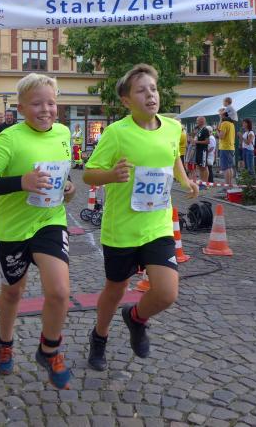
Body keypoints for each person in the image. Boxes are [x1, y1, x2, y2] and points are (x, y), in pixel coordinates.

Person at [83, 64, 199, 371]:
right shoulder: (116, 133)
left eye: (153, 89)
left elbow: (173, 157)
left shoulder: (173, 128)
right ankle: (99, 336)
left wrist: (185, 181)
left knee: (167, 292)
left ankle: (135, 318)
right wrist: (111, 174)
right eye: (141, 91)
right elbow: (89, 174)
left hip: (157, 225)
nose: (150, 95)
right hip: (122, 229)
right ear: (126, 101)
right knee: (115, 290)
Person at [0, 73, 75, 389]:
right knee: (12, 292)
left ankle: (49, 348)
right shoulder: (9, 139)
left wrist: (68, 188)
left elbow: (63, 177)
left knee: (59, 291)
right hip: (14, 230)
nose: (46, 110)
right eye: (37, 104)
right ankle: (5, 343)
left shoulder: (63, 133)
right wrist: (21, 182)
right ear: (21, 108)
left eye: (51, 103)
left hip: (50, 221)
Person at [218, 109, 236, 185]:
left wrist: (217, 132)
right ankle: (229, 184)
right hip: (230, 147)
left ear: (223, 115)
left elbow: (221, 136)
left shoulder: (224, 123)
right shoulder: (231, 124)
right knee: (229, 167)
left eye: (220, 114)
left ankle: (227, 185)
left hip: (225, 147)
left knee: (226, 168)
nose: (219, 116)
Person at [193, 116, 210, 184]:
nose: (196, 122)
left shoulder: (205, 130)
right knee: (200, 167)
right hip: (198, 150)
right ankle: (202, 182)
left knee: (204, 167)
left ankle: (205, 183)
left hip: (203, 151)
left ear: (202, 121)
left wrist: (197, 142)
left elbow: (207, 141)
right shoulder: (199, 130)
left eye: (197, 120)